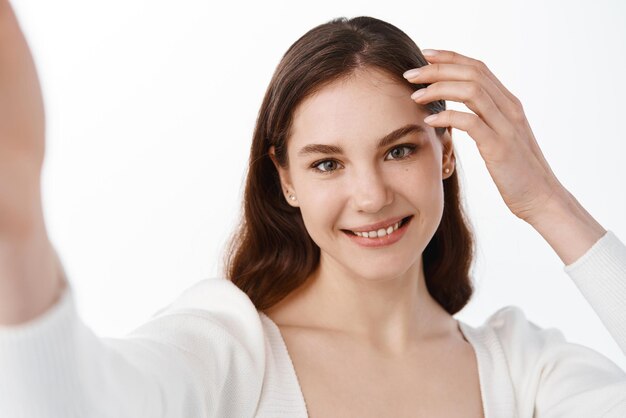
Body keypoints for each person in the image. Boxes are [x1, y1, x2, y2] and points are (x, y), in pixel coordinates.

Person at [0, 2, 624, 416]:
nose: (372, 195)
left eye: (399, 149)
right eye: (327, 163)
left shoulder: (523, 369)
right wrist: (17, 226)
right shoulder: (229, 352)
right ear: (287, 180)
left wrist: (547, 202)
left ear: (445, 152)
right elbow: (73, 404)